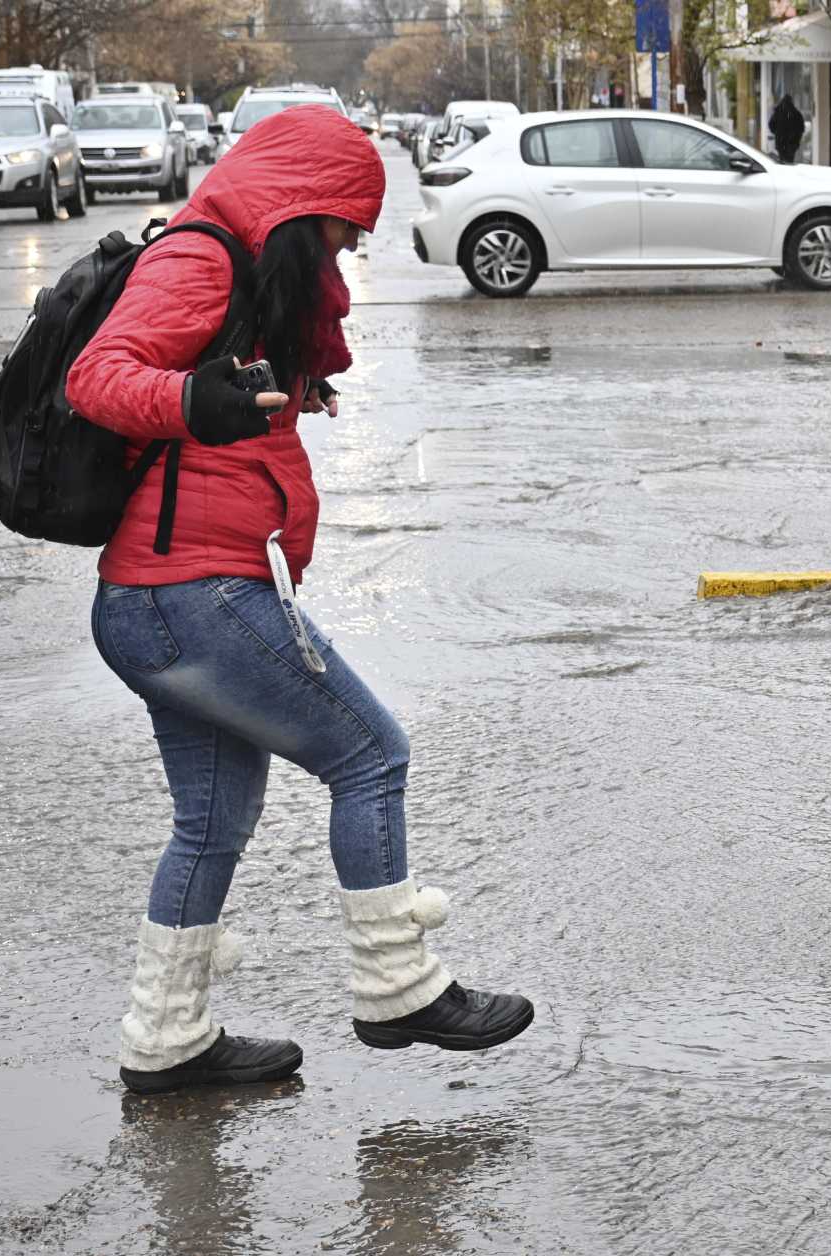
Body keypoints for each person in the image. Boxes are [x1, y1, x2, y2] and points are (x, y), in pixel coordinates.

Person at [67, 105, 535, 1095]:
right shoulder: (198, 257)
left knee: (211, 821)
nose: (342, 256)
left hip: (164, 593)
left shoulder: (237, 270)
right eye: (337, 234)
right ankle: (398, 984)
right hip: (187, 593)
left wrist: (273, 390)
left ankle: (164, 1035)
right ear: (297, 210)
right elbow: (98, 378)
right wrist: (201, 402)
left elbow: (204, 384)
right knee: (370, 752)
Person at [769, 93, 806, 164]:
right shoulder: (796, 114)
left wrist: (777, 133)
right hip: (792, 143)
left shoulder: (778, 113)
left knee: (782, 160)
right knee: (790, 161)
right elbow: (801, 128)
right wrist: (796, 138)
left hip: (781, 142)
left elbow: (771, 125)